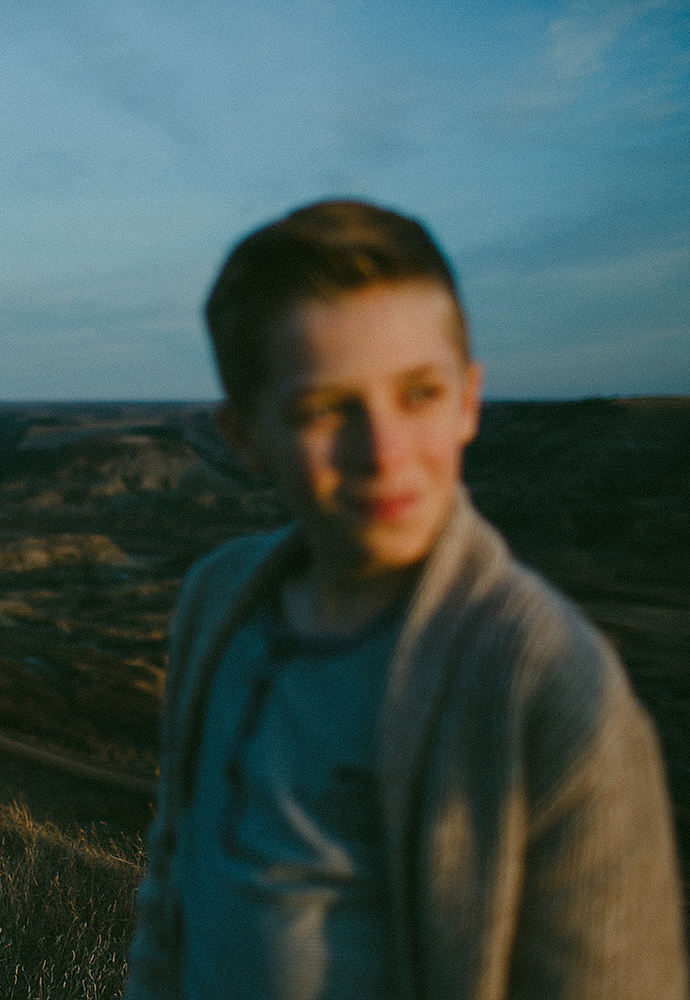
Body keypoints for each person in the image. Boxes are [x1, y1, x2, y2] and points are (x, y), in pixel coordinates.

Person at [125, 199, 687, 999]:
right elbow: (172, 888)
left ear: (469, 400)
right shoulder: (218, 604)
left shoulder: (547, 686)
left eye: (419, 393)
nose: (383, 452)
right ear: (242, 435)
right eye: (327, 409)